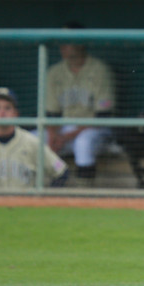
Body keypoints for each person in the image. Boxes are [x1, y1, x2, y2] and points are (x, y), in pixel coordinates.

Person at [45, 30, 115, 184]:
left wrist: (65, 137)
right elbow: (51, 114)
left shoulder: (99, 70)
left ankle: (84, 193)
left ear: (81, 43)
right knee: (33, 140)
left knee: (83, 143)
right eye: (61, 42)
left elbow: (102, 117)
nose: (63, 46)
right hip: (63, 128)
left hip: (94, 128)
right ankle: (40, 192)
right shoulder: (54, 72)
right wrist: (52, 136)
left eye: (68, 41)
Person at [0, 87, 67, 190]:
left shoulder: (31, 142)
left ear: (15, 114)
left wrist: (46, 200)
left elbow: (61, 171)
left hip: (23, 205)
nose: (2, 113)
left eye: (7, 108)